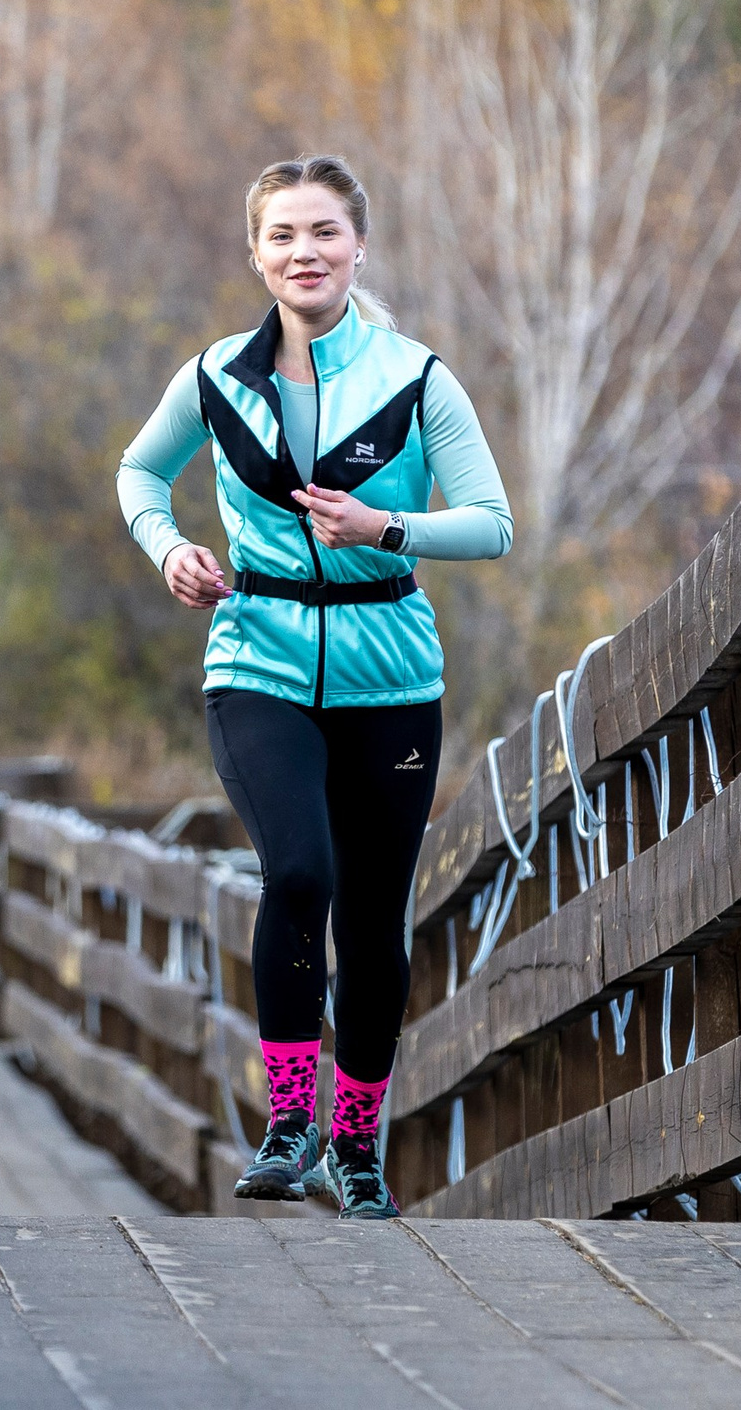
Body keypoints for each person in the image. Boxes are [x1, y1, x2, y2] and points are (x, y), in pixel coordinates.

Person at [115, 155, 512, 1217]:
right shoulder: (214, 377)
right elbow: (138, 471)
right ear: (256, 254)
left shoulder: (417, 378)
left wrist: (386, 526)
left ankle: (356, 1143)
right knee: (297, 873)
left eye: (325, 232)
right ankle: (289, 1119)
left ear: (359, 247)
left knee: (375, 920)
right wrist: (169, 548)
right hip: (258, 654)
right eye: (283, 235)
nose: (305, 252)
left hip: (392, 672)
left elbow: (491, 523)